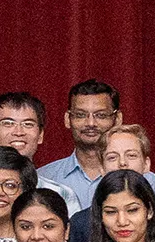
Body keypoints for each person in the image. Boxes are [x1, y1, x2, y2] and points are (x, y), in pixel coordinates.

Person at [35, 80, 122, 214]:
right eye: (80, 115)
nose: (91, 123)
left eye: (101, 115)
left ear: (117, 120)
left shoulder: (143, 177)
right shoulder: (43, 177)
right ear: (67, 119)